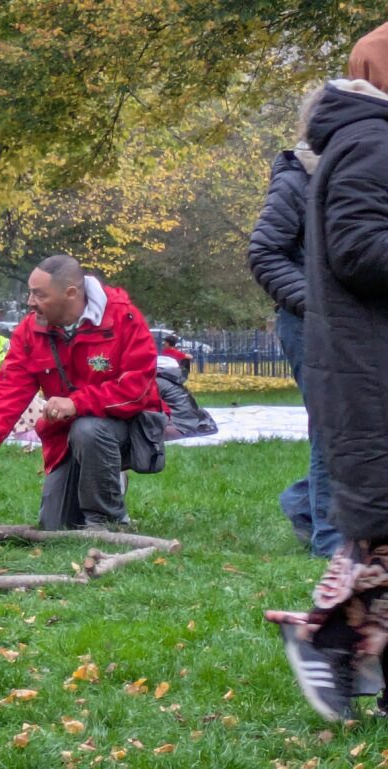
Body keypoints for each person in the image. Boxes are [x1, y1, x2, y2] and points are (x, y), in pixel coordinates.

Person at [267, 23, 388, 722]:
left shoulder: (365, 140)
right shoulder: (373, 142)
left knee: (379, 541)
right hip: (373, 378)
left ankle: (334, 642)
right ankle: (326, 639)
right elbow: (359, 248)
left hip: (369, 370)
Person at [0, 254, 163, 530]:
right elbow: (11, 386)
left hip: (126, 429)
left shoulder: (123, 318)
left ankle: (107, 520)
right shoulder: (30, 330)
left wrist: (77, 403)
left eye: (39, 294)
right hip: (65, 434)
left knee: (88, 429)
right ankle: (99, 480)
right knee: (55, 526)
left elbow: (138, 388)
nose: (30, 302)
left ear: (70, 293)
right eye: (30, 292)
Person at [248, 87, 339, 558]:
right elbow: (264, 252)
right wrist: (317, 303)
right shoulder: (297, 176)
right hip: (308, 322)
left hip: (340, 322)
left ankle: (303, 505)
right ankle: (329, 540)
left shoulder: (347, 175)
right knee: (331, 427)